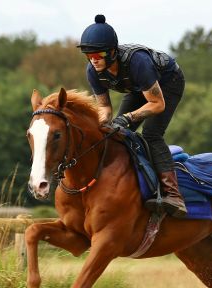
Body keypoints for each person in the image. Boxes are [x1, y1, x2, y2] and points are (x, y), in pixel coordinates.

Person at [77, 14, 187, 218]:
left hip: (167, 83)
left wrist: (128, 117)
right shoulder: (93, 71)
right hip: (139, 87)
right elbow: (105, 108)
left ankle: (174, 195)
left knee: (151, 133)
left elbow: (158, 104)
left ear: (112, 51)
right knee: (117, 133)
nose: (94, 60)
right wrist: (101, 126)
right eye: (88, 55)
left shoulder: (138, 62)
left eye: (98, 54)